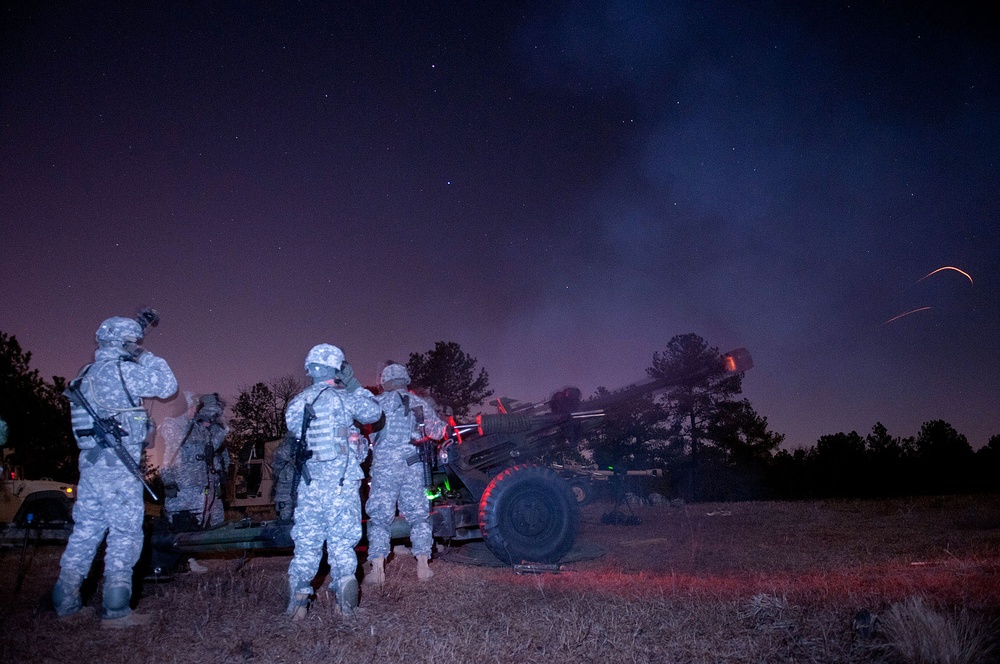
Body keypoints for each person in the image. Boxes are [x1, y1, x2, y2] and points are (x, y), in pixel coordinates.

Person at [52, 314, 177, 627]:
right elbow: (167, 386)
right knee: (125, 531)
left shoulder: (84, 375)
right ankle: (116, 607)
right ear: (125, 343)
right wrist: (146, 356)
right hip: (117, 465)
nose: (137, 345)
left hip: (91, 462)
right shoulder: (123, 371)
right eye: (133, 341)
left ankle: (65, 600)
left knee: (86, 530)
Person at [284, 344, 381, 620]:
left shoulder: (297, 403)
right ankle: (344, 607)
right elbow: (373, 414)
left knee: (306, 544)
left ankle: (297, 606)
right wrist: (353, 384)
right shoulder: (345, 399)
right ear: (337, 368)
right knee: (341, 545)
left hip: (310, 485)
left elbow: (296, 429)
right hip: (341, 486)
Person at [365, 363, 447, 585]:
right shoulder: (418, 403)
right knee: (418, 516)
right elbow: (439, 431)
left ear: (385, 382)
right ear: (405, 380)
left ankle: (378, 571)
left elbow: (361, 419)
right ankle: (422, 567)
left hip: (385, 468)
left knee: (380, 517)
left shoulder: (377, 403)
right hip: (412, 466)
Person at [161, 392, 230, 529]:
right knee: (178, 525)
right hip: (182, 487)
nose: (194, 410)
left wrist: (221, 430)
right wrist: (168, 481)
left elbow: (211, 447)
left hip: (199, 486)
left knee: (197, 526)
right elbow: (168, 457)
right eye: (191, 407)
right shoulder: (173, 426)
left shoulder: (198, 429)